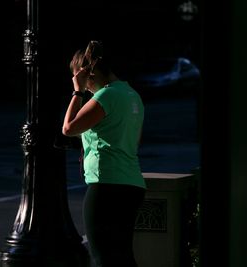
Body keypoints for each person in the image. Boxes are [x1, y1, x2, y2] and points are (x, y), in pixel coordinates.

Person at [61, 40, 146, 267]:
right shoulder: (132, 95)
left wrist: (77, 91)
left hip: (106, 184)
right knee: (123, 255)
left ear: (89, 72)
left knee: (102, 257)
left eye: (82, 79)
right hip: (132, 184)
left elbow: (68, 128)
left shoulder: (105, 97)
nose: (87, 87)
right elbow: (133, 141)